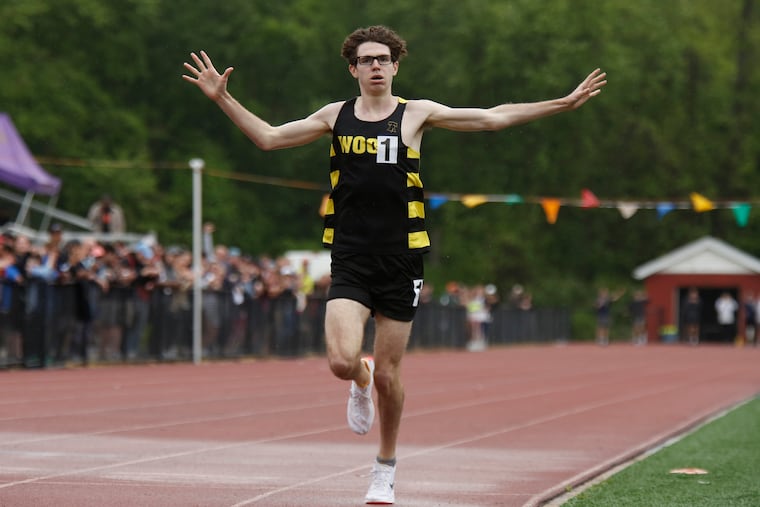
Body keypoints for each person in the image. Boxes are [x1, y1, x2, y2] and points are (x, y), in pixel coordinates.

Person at [183, 25, 606, 504]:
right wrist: (222, 98)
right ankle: (358, 381)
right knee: (344, 362)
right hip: (350, 256)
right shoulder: (335, 115)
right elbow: (268, 138)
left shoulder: (417, 113)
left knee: (391, 374)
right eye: (367, 60)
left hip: (403, 260)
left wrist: (561, 103)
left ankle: (384, 465)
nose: (376, 66)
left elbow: (492, 118)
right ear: (353, 69)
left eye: (384, 58)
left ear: (396, 65)